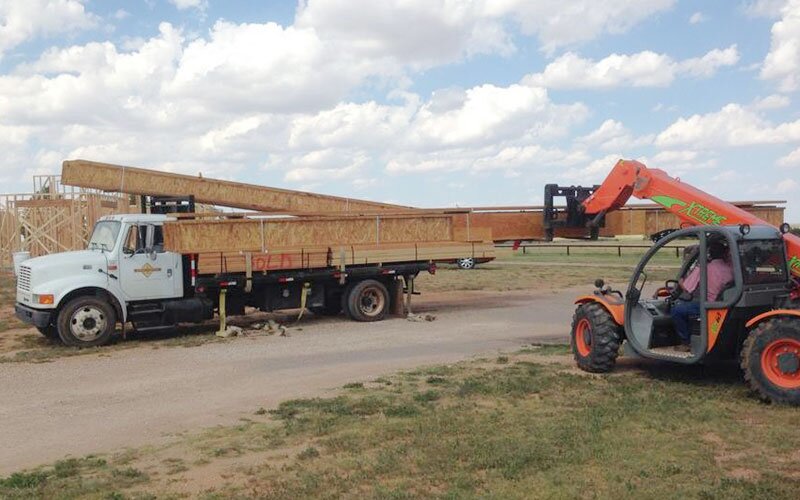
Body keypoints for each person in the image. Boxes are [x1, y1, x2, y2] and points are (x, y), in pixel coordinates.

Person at [671, 239, 733, 351]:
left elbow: (687, 288)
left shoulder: (704, 268)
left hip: (709, 304)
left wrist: (680, 281)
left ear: (710, 253)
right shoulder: (731, 269)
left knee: (677, 310)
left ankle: (685, 342)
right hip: (724, 302)